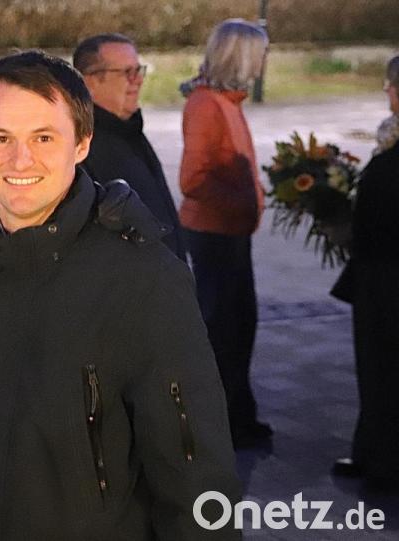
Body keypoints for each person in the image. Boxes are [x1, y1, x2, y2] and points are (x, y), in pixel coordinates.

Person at [0, 50, 240, 539]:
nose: (20, 159)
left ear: (83, 142)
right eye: (1, 138)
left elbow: (195, 472)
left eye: (43, 137)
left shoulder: (142, 276)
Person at [177, 19, 270, 448]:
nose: (265, 62)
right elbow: (193, 179)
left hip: (231, 231)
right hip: (214, 234)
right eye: (261, 53)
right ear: (242, 56)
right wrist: (242, 202)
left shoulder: (227, 102)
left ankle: (239, 417)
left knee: (240, 326)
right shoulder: (207, 105)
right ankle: (219, 425)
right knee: (223, 332)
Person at [331, 55, 399, 488]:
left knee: (383, 367)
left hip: (386, 276)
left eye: (391, 85)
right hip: (379, 270)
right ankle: (372, 450)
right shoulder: (390, 141)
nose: (387, 92)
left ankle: (384, 462)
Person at [73, 33, 186, 260]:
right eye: (127, 72)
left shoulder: (128, 130)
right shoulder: (82, 145)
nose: (138, 80)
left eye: (138, 70)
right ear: (90, 81)